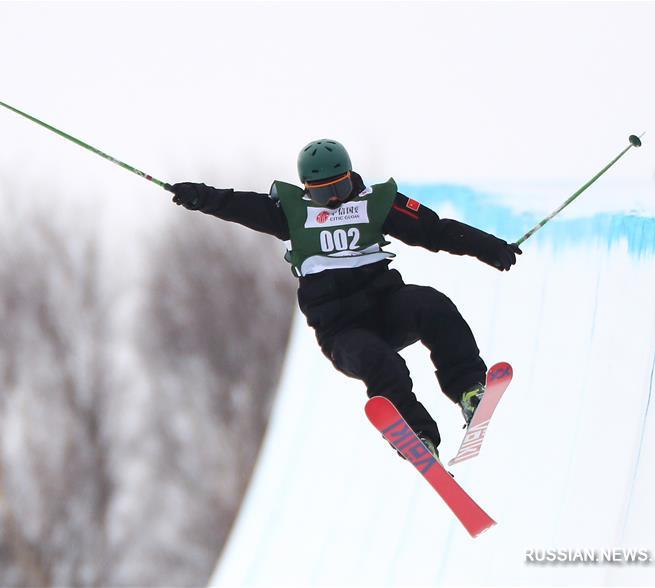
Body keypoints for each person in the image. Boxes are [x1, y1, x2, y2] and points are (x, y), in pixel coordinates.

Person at [169, 139, 520, 459]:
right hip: (343, 333)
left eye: (340, 186)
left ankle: (469, 391)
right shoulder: (290, 213)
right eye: (324, 192)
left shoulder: (374, 203)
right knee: (381, 364)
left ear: (351, 176)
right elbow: (235, 204)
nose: (335, 199)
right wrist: (199, 196)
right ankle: (415, 434)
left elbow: (435, 230)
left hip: (388, 309)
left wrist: (488, 247)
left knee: (433, 305)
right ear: (307, 188)